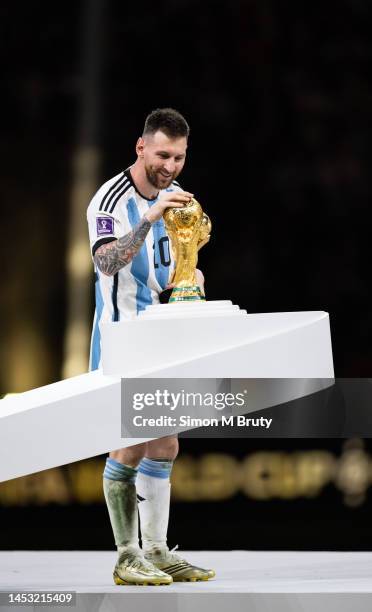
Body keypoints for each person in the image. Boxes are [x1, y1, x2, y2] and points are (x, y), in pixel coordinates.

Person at [87, 108, 215, 586]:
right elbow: (106, 262)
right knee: (130, 444)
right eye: (163, 155)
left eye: (179, 157)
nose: (171, 166)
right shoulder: (109, 199)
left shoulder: (177, 197)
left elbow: (174, 264)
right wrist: (148, 218)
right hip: (123, 338)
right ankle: (126, 555)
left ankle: (158, 551)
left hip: (164, 337)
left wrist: (191, 277)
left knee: (166, 442)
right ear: (140, 147)